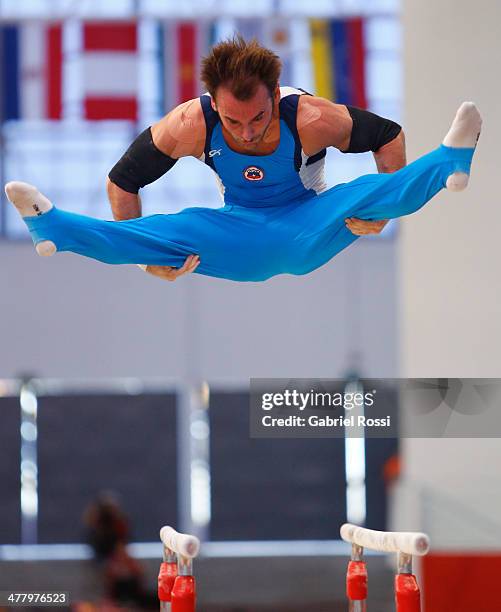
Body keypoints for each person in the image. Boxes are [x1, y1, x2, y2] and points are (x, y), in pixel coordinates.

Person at [5, 36, 480, 283]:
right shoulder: (190, 123)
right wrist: (146, 257)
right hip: (236, 230)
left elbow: (388, 136)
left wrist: (382, 211)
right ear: (213, 102)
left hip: (307, 224)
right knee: (171, 228)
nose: (247, 132)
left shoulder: (312, 117)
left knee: (359, 194)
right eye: (233, 122)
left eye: (257, 118)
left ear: (275, 93)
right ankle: (53, 228)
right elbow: (122, 183)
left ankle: (451, 159)